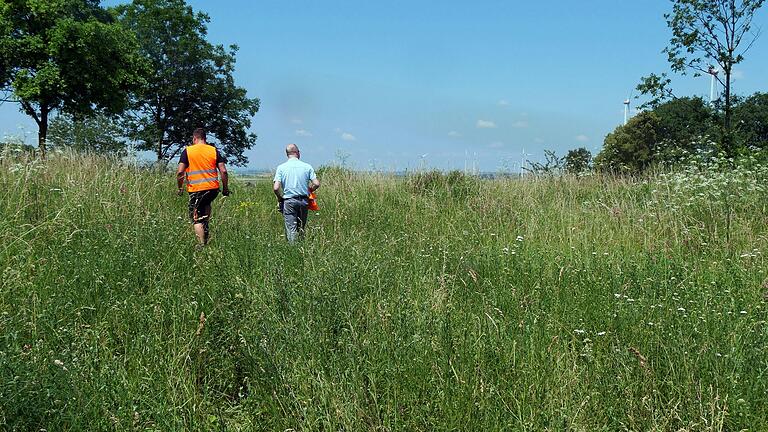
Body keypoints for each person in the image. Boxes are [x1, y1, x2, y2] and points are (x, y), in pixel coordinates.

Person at [176, 128, 230, 245]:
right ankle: (206, 237)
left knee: (196, 218)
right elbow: (224, 171)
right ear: (205, 138)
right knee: (205, 209)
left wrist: (180, 188)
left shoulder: (188, 151)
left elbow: (180, 172)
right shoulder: (214, 150)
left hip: (196, 190)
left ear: (194, 138)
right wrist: (225, 188)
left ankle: (202, 246)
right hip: (212, 189)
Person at [273, 143, 320, 242]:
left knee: (291, 229)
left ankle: (293, 251)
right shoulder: (307, 167)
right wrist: (310, 190)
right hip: (304, 200)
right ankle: (302, 248)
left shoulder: (281, 168)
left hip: (289, 201)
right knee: (301, 228)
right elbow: (316, 183)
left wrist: (279, 198)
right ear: (298, 153)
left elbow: (276, 188)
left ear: (287, 154)